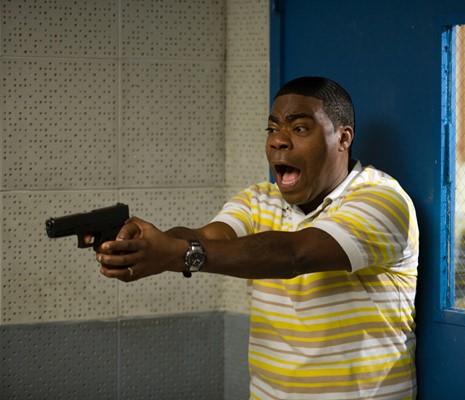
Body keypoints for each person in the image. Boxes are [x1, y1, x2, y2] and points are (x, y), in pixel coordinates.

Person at [95, 76, 419, 399]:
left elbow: (294, 255)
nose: (278, 140)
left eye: (299, 128)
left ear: (343, 138)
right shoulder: (258, 200)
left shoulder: (381, 199)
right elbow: (207, 238)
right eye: (272, 128)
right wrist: (149, 245)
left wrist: (175, 253)